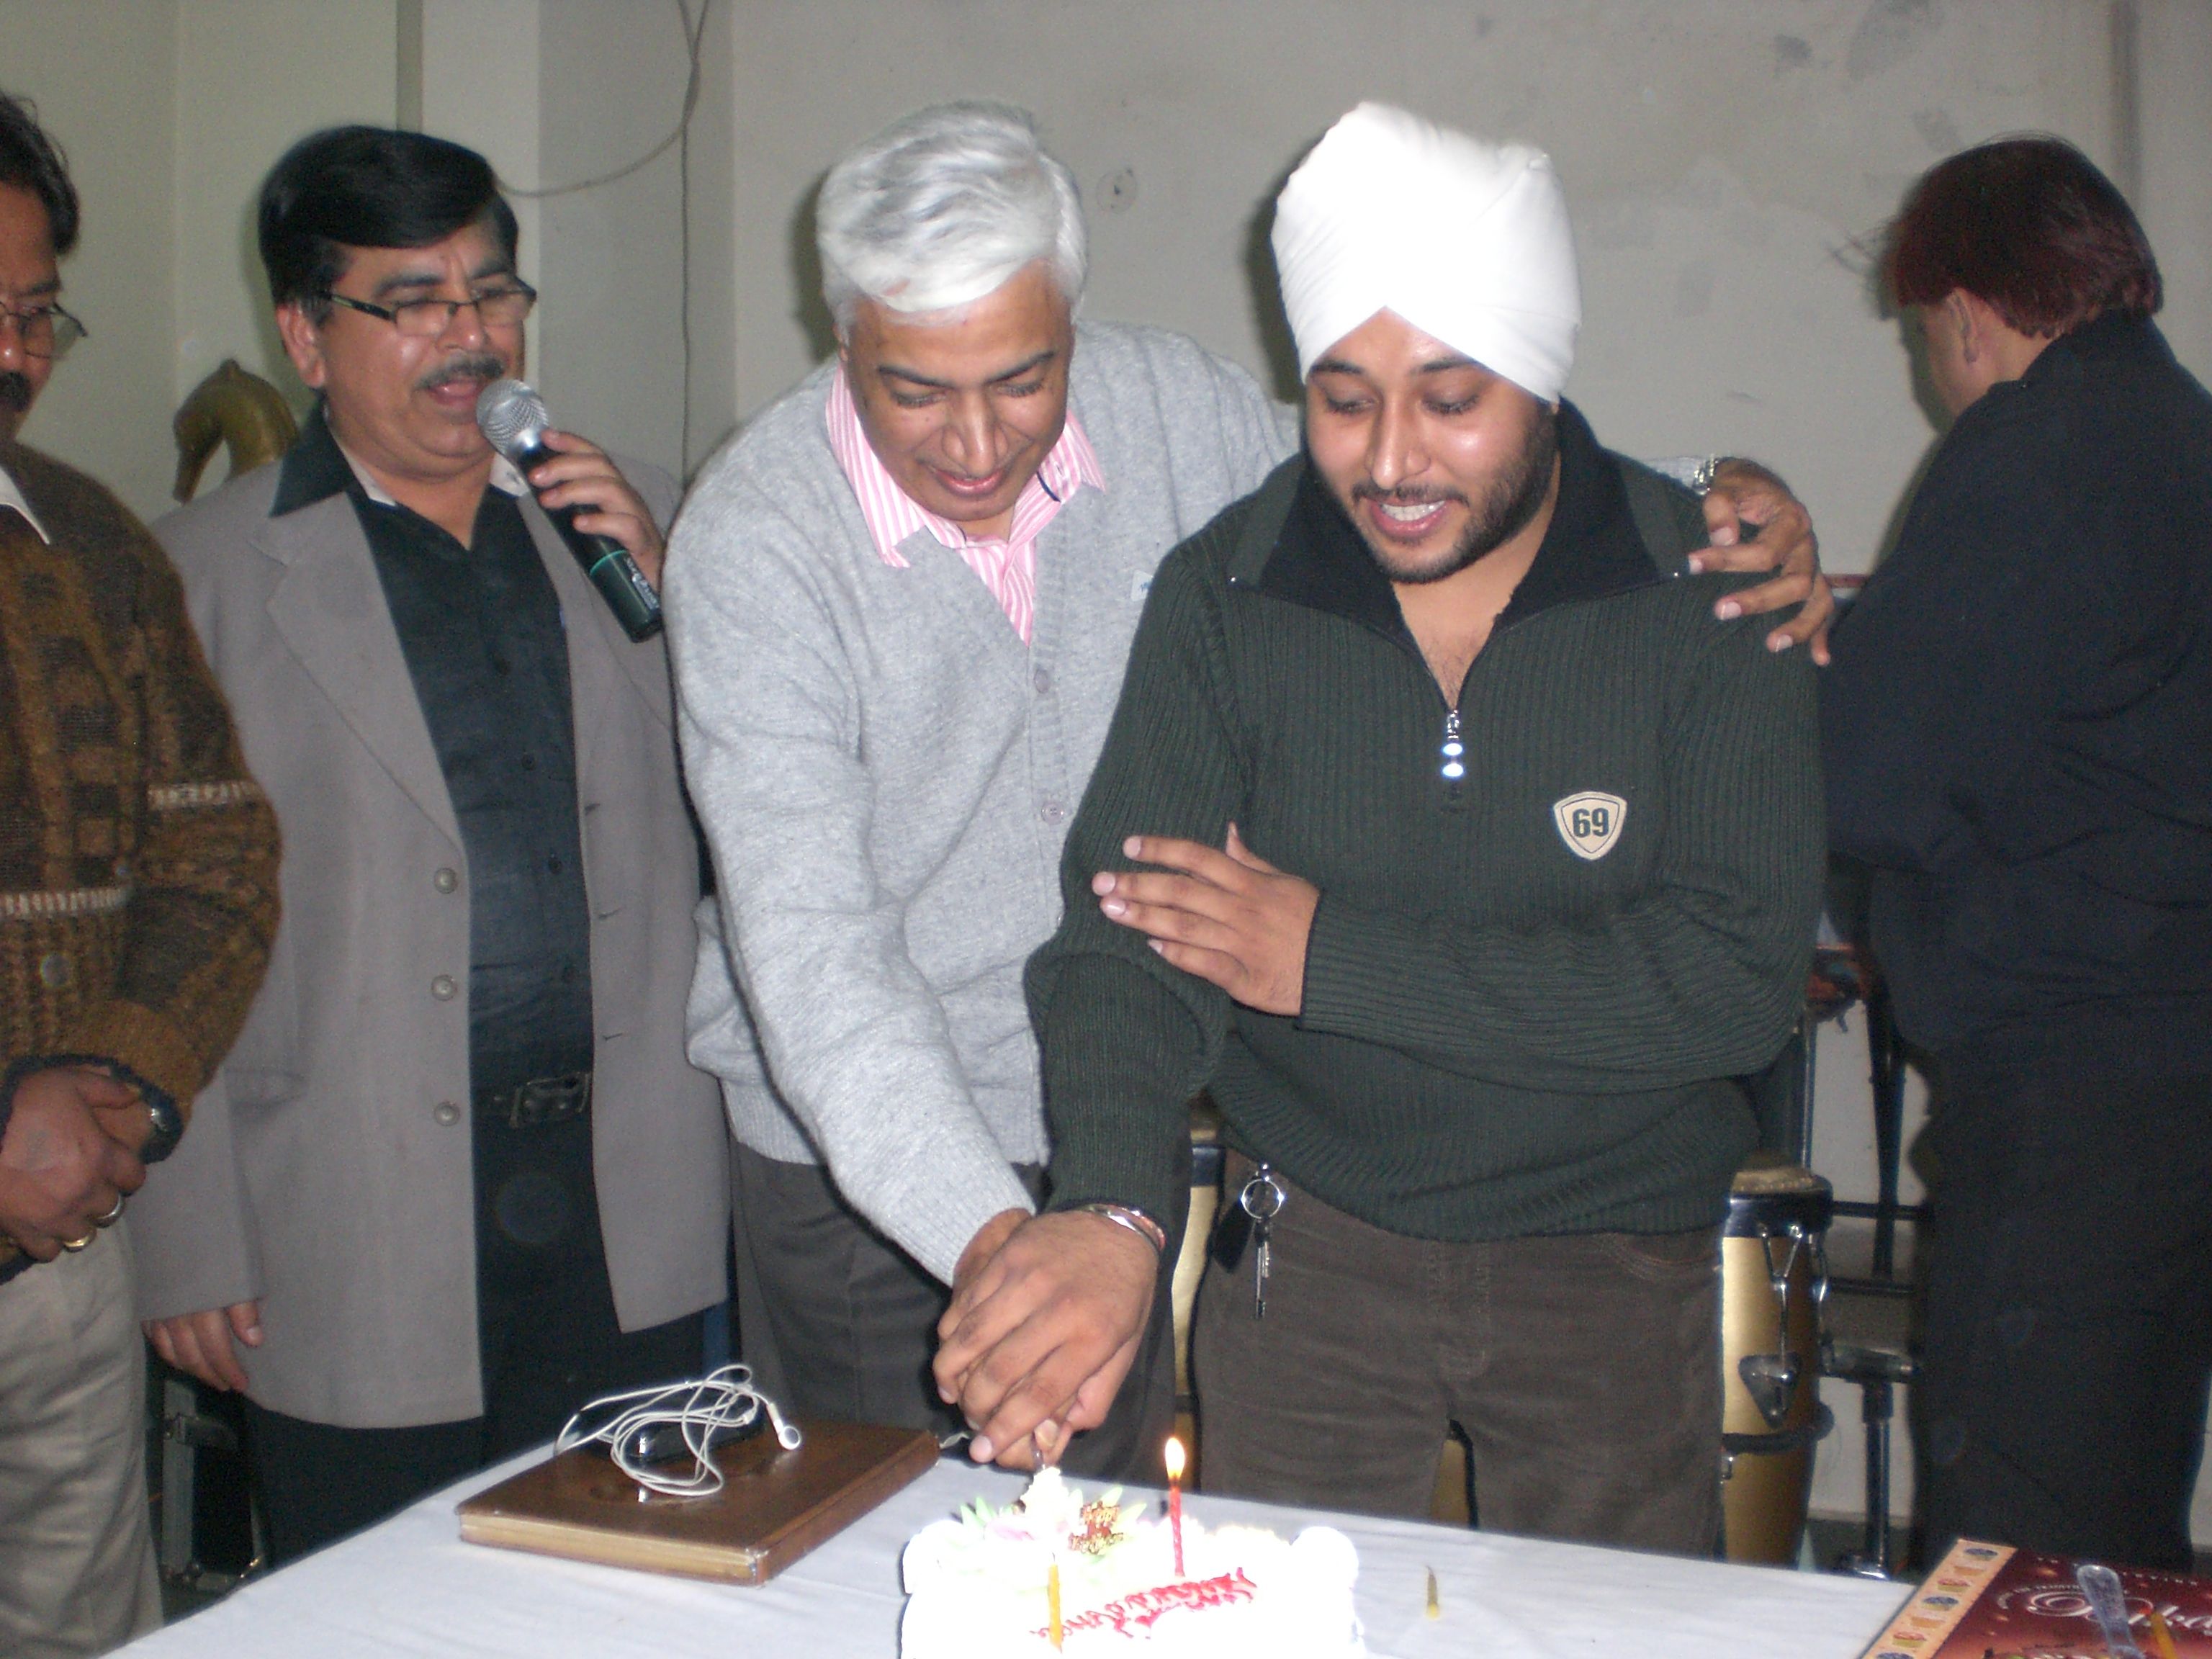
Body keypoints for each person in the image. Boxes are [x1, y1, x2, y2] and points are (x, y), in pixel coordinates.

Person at [666, 100, 1826, 1478]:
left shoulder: (1181, 418)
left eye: (1024, 379)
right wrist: (1024, 1256)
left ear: (1076, 329)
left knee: (1102, 1559)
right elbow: (817, 966)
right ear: (839, 337)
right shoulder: (756, 543)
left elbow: (1426, 447)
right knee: (889, 1555)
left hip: (1115, 1120)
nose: (974, 445)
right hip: (875, 1154)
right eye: (912, 388)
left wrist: (1705, 498)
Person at [128, 126, 727, 1563]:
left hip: (623, 1201)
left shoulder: (653, 518)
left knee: (635, 1606)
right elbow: (154, 918)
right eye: (413, 302)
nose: (470, 336)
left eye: (493, 293)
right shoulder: (194, 576)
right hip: (349, 1214)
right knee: (377, 1615)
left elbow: (763, 820)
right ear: (305, 335)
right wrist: (190, 1232)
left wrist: (683, 604)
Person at [1822, 138, 2212, 1572]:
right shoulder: (2184, 436)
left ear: (1968, 309)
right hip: (2175, 1090)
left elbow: (1869, 782)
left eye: (1933, 333)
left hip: (2065, 1110)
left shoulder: (2034, 446)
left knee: (2020, 1557)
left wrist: (1795, 676)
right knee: (2124, 1550)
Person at [0, 90, 280, 1657]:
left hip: (58, 1270)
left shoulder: (92, 542)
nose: (14, 354)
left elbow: (218, 845)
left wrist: (115, 1089)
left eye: (35, 313)